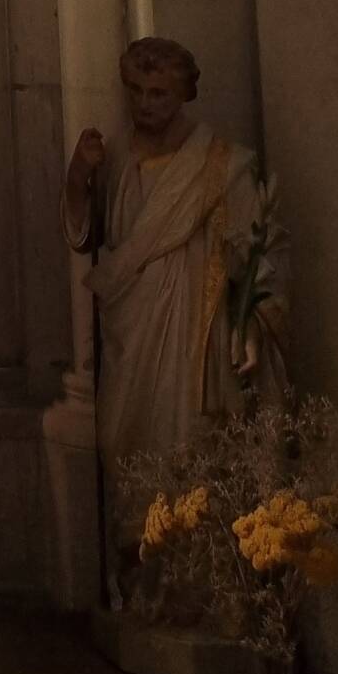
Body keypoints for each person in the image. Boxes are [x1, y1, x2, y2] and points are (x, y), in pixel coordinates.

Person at [63, 36, 287, 577]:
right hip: (129, 330)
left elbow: (256, 252)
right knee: (122, 445)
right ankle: (140, 582)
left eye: (159, 92)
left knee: (188, 445)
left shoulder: (221, 165)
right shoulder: (113, 155)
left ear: (184, 93)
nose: (146, 103)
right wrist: (77, 177)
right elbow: (86, 236)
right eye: (137, 91)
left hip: (191, 331)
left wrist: (250, 325)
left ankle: (195, 585)